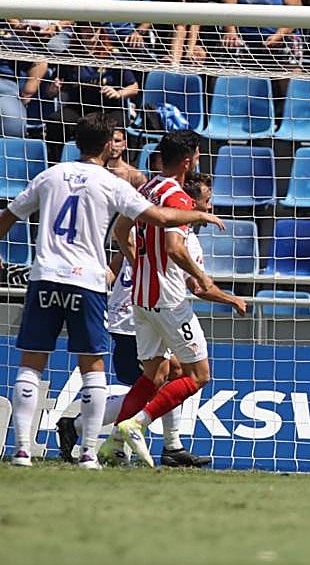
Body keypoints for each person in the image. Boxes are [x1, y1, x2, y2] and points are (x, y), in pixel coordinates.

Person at [0, 114, 222, 469]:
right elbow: (162, 221)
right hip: (93, 283)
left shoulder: (51, 175)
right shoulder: (113, 183)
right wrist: (198, 217)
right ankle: (92, 450)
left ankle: (23, 451)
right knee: (96, 368)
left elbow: (9, 215)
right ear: (108, 146)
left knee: (32, 364)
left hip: (48, 277)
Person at [60, 171, 232, 468]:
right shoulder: (176, 238)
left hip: (140, 310)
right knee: (160, 380)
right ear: (189, 203)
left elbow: (119, 251)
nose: (211, 206)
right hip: (137, 316)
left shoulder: (148, 224)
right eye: (207, 200)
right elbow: (194, 285)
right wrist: (231, 299)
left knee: (168, 375)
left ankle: (166, 446)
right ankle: (80, 426)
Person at [102, 130, 242, 467]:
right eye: (198, 155)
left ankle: (113, 445)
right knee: (198, 375)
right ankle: (137, 424)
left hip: (140, 298)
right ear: (188, 160)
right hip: (169, 299)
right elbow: (174, 248)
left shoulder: (146, 189)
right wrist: (201, 276)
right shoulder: (178, 198)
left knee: (153, 376)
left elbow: (120, 232)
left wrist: (140, 264)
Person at [45, 25, 140, 162]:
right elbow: (50, 92)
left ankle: (114, 167)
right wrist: (54, 88)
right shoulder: (69, 56)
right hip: (78, 109)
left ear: (100, 31)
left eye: (94, 29)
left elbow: (134, 87)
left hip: (108, 109)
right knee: (56, 121)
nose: (90, 32)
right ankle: (55, 163)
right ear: (79, 32)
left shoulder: (113, 56)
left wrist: (118, 93)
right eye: (85, 29)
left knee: (114, 127)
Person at [161, 0, 209, 66]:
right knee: (180, 27)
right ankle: (174, 65)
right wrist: (181, 2)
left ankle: (189, 56)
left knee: (195, 23)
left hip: (195, 43)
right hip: (170, 43)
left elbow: (195, 21)